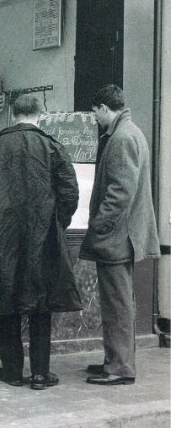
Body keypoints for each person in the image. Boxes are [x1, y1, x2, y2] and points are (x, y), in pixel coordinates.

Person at [0, 94, 81, 390]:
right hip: (43, 236)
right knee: (41, 304)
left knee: (5, 299)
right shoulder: (52, 147)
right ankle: (39, 374)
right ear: (42, 113)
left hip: (2, 235)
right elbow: (69, 194)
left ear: (12, 113)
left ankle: (11, 371)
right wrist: (55, 224)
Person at [80, 85, 160, 386]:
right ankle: (114, 361)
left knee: (118, 304)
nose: (94, 118)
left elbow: (120, 191)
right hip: (122, 234)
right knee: (119, 302)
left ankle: (121, 368)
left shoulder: (123, 137)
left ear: (103, 107)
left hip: (117, 236)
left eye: (94, 112)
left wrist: (100, 223)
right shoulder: (129, 132)